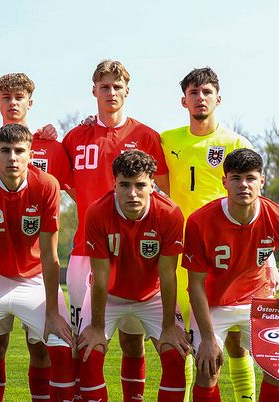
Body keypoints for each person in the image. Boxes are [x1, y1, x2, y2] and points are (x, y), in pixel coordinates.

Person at [0, 72, 72, 401]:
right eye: (5, 151)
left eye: (19, 151)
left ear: (31, 154)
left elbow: (52, 254)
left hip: (33, 274)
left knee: (54, 345)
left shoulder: (47, 172)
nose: (12, 157)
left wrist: (53, 311)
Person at [62, 59, 169, 395]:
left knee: (133, 340)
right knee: (85, 341)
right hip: (85, 252)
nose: (111, 92)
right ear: (93, 91)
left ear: (127, 91)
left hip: (137, 254)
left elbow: (162, 192)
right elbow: (63, 184)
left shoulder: (147, 136)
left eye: (117, 86)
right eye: (104, 86)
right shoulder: (75, 137)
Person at [183, 148, 279, 402]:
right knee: (207, 368)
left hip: (258, 302)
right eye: (235, 178)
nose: (243, 185)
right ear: (224, 181)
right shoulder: (199, 222)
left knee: (278, 368)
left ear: (261, 181)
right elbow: (196, 285)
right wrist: (208, 338)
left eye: (250, 178)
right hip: (214, 304)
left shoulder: (278, 216)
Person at [160, 67, 259, 401]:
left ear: (219, 98)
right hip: (178, 253)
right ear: (183, 100)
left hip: (226, 253)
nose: (199, 98)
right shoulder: (167, 139)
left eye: (206, 92)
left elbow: (254, 199)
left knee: (235, 342)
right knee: (186, 340)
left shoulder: (235, 143)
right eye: (193, 93)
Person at [77, 150, 188, 401]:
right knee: (88, 353)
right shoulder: (97, 212)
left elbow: (168, 274)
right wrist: (96, 327)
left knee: (174, 354)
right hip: (110, 295)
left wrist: (169, 326)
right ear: (114, 184)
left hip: (152, 295)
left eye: (140, 185)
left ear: (152, 185)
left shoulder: (169, 213)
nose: (132, 193)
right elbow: (101, 274)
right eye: (124, 185)